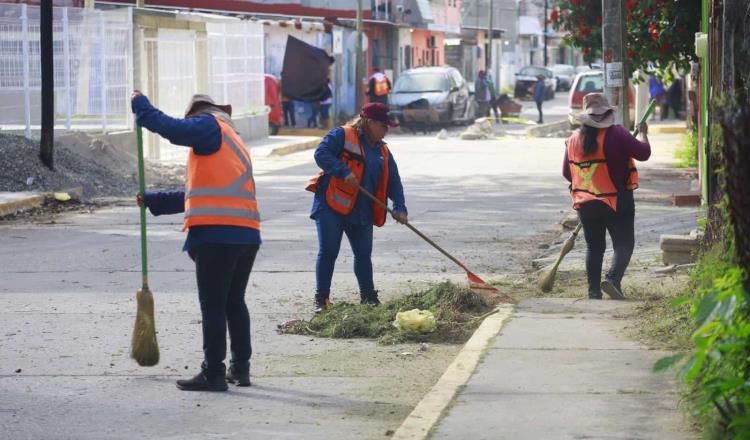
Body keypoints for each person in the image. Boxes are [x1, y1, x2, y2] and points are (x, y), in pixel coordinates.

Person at [131, 92, 261, 392]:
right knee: (232, 302)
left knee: (213, 305)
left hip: (218, 236)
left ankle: (213, 373)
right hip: (245, 234)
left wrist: (143, 109)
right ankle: (240, 367)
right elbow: (197, 194)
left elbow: (172, 129)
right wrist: (155, 201)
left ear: (199, 114)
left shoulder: (209, 126)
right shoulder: (231, 140)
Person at [305, 102, 408, 313]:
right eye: (384, 126)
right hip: (331, 205)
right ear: (370, 122)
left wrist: (400, 207)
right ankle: (321, 299)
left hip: (361, 210)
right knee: (329, 251)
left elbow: (394, 182)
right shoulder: (341, 135)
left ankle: (368, 297)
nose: (386, 130)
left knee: (363, 254)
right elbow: (321, 154)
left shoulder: (383, 151)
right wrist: (342, 171)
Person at [563, 93, 651, 300]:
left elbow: (567, 174)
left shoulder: (573, 140)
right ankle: (612, 280)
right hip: (616, 199)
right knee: (623, 243)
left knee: (594, 247)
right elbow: (643, 153)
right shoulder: (618, 134)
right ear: (608, 114)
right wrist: (644, 133)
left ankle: (593, 291)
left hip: (585, 203)